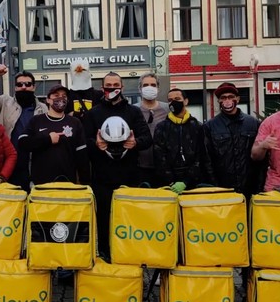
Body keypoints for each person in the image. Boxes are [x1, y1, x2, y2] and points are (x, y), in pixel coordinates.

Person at [82, 72, 153, 261]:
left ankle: (129, 255)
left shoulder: (133, 112)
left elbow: (147, 138)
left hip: (129, 176)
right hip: (102, 177)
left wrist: (135, 142)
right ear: (102, 88)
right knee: (103, 220)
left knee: (128, 218)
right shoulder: (93, 113)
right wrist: (95, 145)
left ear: (121, 87)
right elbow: (83, 143)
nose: (112, 88)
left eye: (116, 85)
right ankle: (104, 256)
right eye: (108, 85)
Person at [0, 64, 47, 189]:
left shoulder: (43, 109)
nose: (23, 87)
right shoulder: (5, 103)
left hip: (33, 165)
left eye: (28, 84)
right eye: (19, 84)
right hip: (7, 164)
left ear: (34, 87)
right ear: (15, 88)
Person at [17, 85, 90, 186]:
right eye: (56, 95)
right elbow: (22, 143)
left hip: (68, 183)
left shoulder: (75, 122)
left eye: (64, 96)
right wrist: (48, 140)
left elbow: (82, 156)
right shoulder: (37, 120)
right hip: (40, 183)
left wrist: (85, 183)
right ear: (48, 100)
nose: (61, 99)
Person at [202, 82, 262, 196]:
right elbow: (207, 160)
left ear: (237, 99)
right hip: (223, 188)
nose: (227, 100)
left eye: (231, 97)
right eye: (223, 98)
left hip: (250, 187)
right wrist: (215, 187)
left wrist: (259, 187)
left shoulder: (253, 123)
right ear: (218, 101)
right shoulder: (209, 127)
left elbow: (261, 159)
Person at [153, 88, 206, 193]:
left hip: (193, 184)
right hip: (168, 185)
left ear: (186, 101)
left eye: (177, 98)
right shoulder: (161, 127)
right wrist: (171, 181)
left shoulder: (197, 127)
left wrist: (186, 181)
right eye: (170, 100)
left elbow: (201, 156)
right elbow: (159, 156)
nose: (173, 102)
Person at [137, 73, 168, 188]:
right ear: (140, 89)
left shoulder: (167, 109)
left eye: (153, 85)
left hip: (163, 166)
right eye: (145, 85)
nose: (149, 88)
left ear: (158, 88)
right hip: (139, 166)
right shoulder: (133, 110)